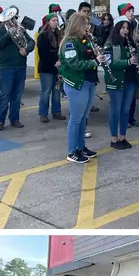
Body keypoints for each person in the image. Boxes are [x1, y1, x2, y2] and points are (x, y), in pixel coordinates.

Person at [59, 12, 101, 164]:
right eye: (86, 24)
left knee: (84, 117)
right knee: (76, 118)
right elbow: (74, 64)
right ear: (78, 25)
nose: (88, 27)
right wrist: (94, 62)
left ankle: (81, 147)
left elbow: (88, 57)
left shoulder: (84, 40)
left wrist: (96, 55)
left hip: (88, 81)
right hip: (77, 83)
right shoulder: (70, 43)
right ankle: (72, 151)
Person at [0, 7, 34, 131]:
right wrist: (9, 33)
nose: (14, 20)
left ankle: (14, 119)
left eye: (15, 18)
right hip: (7, 67)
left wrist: (26, 50)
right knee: (5, 95)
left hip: (20, 66)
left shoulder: (20, 29)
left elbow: (31, 42)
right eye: (11, 19)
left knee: (17, 96)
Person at [104, 17, 139, 150]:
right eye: (123, 28)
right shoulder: (113, 44)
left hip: (130, 79)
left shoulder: (129, 42)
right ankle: (114, 139)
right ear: (117, 28)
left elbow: (135, 58)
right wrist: (128, 62)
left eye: (127, 28)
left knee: (125, 110)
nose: (125, 30)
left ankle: (123, 137)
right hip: (117, 80)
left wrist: (137, 58)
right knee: (116, 109)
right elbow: (112, 63)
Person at [37, 13, 65, 124]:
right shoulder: (43, 35)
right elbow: (42, 53)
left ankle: (56, 111)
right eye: (53, 20)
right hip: (46, 68)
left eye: (56, 20)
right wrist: (55, 62)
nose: (56, 22)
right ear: (48, 22)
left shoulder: (59, 35)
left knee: (57, 90)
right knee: (46, 91)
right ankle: (43, 113)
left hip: (57, 68)